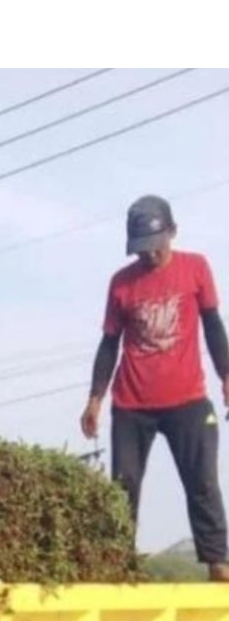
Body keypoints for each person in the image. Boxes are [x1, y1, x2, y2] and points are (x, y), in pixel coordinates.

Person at [80, 194, 229, 580]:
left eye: (154, 248)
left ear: (172, 233)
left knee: (203, 481)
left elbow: (213, 326)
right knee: (123, 488)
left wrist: (226, 375)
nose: (148, 256)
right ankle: (117, 565)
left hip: (188, 399)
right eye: (140, 250)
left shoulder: (195, 268)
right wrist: (95, 399)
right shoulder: (121, 284)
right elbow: (109, 343)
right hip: (132, 403)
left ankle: (218, 563)